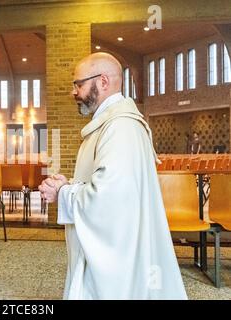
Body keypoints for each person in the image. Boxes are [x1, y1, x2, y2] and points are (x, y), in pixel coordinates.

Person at [38, 52, 187, 300]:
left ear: (103, 82)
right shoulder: (113, 124)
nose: (74, 92)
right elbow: (108, 184)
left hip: (119, 254)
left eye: (79, 84)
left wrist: (62, 192)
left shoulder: (121, 127)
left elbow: (107, 198)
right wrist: (70, 185)